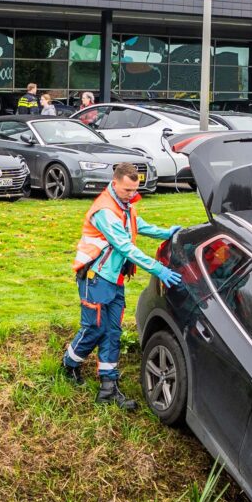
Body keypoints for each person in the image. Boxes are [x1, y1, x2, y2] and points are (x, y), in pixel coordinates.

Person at [62, 160, 181, 410]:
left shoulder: (124, 205)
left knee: (113, 332)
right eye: (127, 190)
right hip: (95, 279)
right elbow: (125, 247)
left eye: (135, 190)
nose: (131, 194)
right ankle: (69, 365)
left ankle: (108, 387)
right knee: (94, 329)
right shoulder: (105, 211)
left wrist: (166, 232)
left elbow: (138, 226)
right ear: (114, 183)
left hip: (114, 280)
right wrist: (158, 268)